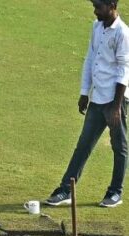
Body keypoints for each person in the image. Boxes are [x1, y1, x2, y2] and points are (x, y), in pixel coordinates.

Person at [46, 0, 129, 208]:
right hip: (97, 97)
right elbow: (91, 59)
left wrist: (117, 106)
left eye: (99, 6)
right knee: (83, 145)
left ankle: (115, 192)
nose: (95, 11)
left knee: (120, 147)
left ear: (112, 6)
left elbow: (124, 71)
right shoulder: (96, 27)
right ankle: (66, 189)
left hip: (116, 101)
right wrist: (85, 92)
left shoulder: (122, 34)